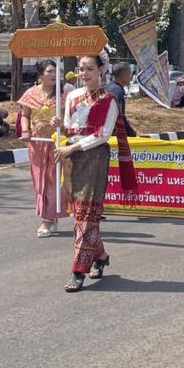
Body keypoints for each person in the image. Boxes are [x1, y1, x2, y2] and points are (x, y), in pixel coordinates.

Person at [54, 53, 137, 292]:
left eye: (89, 68)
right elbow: (70, 128)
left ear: (101, 70)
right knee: (80, 215)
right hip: (72, 159)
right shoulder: (72, 96)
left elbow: (102, 134)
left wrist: (73, 147)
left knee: (87, 214)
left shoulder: (108, 100)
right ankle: (100, 256)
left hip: (94, 157)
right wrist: (59, 127)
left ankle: (78, 270)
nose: (84, 73)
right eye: (81, 68)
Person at [18, 59, 70, 237]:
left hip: (57, 143)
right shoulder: (30, 93)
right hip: (37, 144)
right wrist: (26, 131)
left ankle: (48, 218)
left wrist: (61, 124)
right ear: (41, 74)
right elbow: (25, 115)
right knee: (40, 181)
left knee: (54, 181)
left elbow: (71, 119)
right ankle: (47, 217)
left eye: (56, 71)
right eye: (49, 71)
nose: (54, 75)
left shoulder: (64, 95)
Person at [107, 62, 138, 135]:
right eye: (129, 74)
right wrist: (131, 133)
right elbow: (120, 117)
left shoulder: (109, 86)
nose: (130, 77)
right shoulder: (118, 91)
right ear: (123, 75)